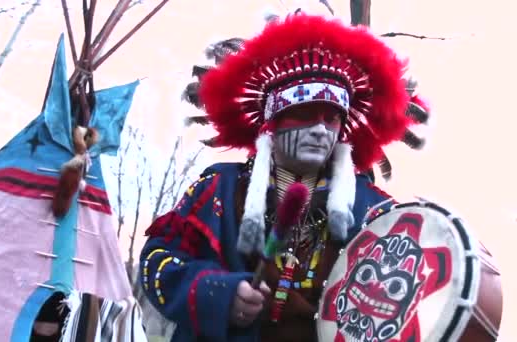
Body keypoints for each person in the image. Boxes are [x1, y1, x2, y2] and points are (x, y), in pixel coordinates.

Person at [138, 13, 430, 342]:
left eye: (332, 118)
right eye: (304, 113)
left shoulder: (377, 213)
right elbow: (156, 261)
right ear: (271, 124)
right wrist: (218, 295)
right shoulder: (218, 188)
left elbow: (414, 302)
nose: (320, 130)